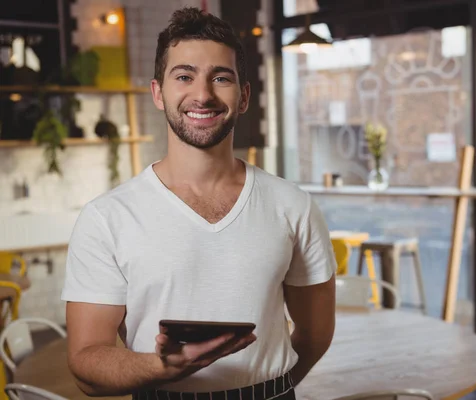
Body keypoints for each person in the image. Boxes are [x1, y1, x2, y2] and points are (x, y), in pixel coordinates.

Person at [61, 7, 336, 400]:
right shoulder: (107, 218)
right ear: (159, 93)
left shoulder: (294, 206)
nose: (202, 94)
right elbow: (86, 365)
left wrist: (270, 391)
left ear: (243, 97)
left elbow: (315, 334)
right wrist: (161, 368)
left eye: (220, 78)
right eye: (184, 76)